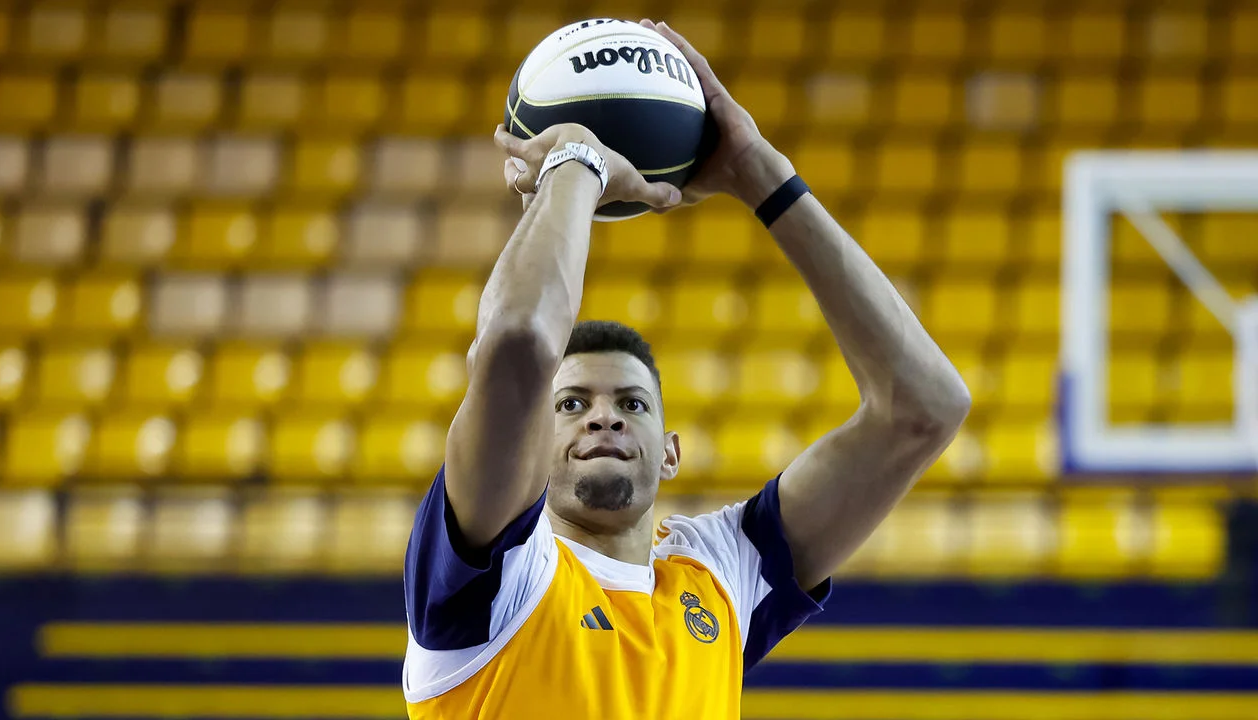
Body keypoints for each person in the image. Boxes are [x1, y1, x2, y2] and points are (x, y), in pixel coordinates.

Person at [401, 19, 970, 719]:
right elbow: (517, 344)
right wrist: (576, 162)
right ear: (529, 447)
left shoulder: (720, 572)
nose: (603, 413)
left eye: (632, 405)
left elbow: (926, 408)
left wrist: (757, 170)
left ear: (671, 453)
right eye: (571, 404)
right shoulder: (490, 579)